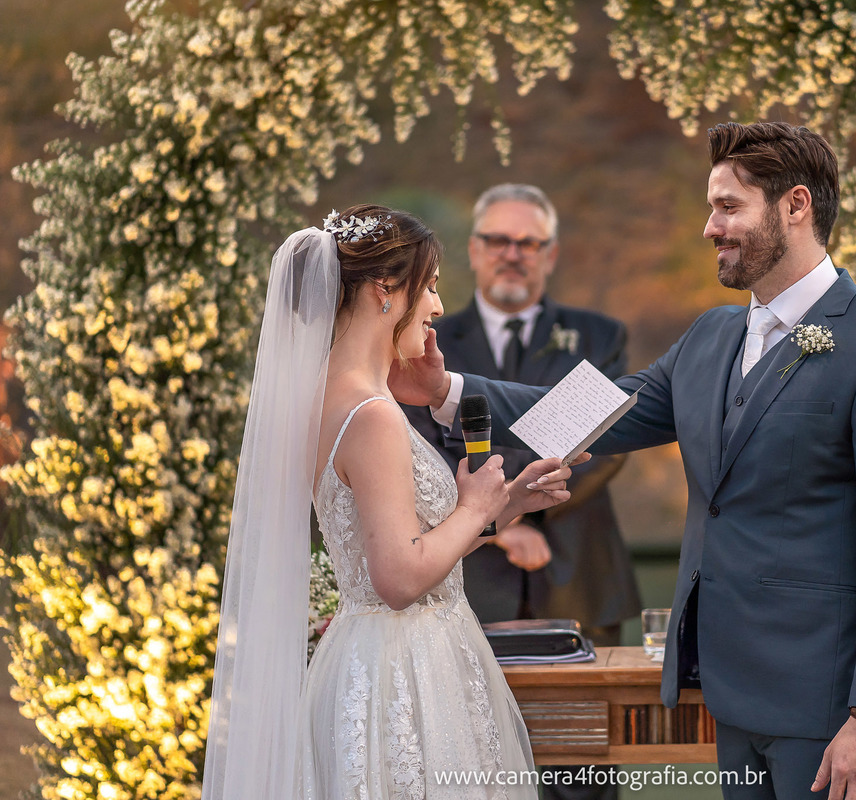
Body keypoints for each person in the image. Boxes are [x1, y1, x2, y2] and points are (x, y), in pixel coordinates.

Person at [399, 123, 856, 800]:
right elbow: (585, 411)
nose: (710, 227)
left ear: (796, 206)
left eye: (728, 207)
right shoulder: (711, 335)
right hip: (730, 696)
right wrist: (446, 391)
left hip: (829, 707)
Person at [202, 205, 582, 800]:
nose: (436, 305)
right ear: (386, 291)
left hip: (368, 657)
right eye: (428, 286)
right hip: (409, 670)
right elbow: (400, 577)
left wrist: (509, 501)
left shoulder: (331, 397)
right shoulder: (372, 415)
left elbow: (406, 537)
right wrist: (476, 509)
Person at [406, 183, 640, 648]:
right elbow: (418, 441)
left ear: (549, 255)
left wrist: (524, 511)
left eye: (528, 243)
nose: (512, 254)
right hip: (466, 567)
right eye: (497, 240)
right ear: (474, 250)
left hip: (575, 571)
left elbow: (610, 439)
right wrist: (498, 526)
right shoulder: (427, 336)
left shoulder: (598, 336)